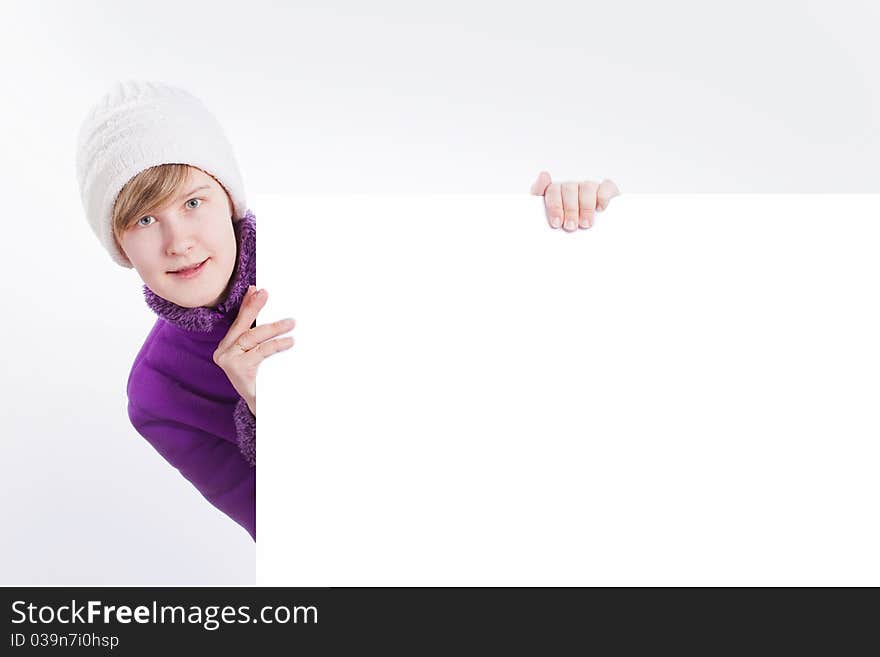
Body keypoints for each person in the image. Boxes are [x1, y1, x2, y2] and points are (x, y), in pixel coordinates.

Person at [74, 79, 619, 541]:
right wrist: (272, 407)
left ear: (228, 197)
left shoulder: (349, 249)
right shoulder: (158, 393)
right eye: (144, 220)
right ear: (118, 245)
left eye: (193, 202)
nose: (178, 241)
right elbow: (302, 543)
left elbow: (513, 346)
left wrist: (564, 232)